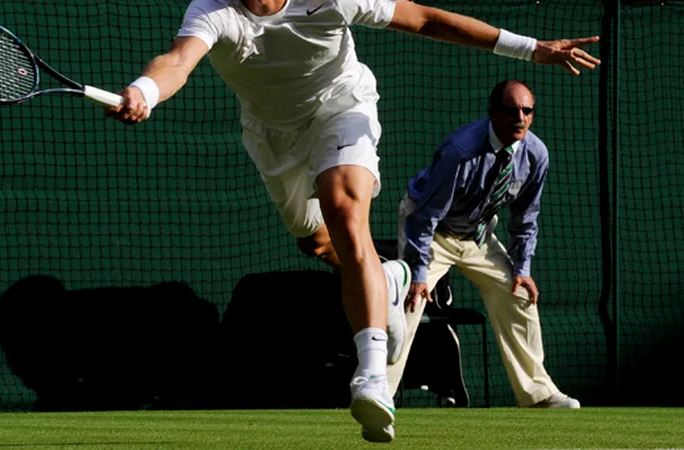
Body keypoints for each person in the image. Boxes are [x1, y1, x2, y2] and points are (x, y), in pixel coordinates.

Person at [104, 0, 600, 441]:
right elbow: (178, 60)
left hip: (343, 109)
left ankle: (369, 378)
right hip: (273, 136)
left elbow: (424, 18)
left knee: (344, 211)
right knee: (317, 243)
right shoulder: (214, 11)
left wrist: (530, 49)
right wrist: (145, 89)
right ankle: (387, 276)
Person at [392, 79, 581, 412]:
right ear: (493, 113)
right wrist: (419, 274)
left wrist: (522, 269)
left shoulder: (536, 155)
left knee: (519, 293)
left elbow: (526, 217)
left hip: (478, 234)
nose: (520, 118)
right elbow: (424, 217)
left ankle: (537, 395)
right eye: (511, 111)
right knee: (407, 303)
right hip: (432, 231)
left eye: (527, 111)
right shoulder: (460, 152)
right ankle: (379, 391)